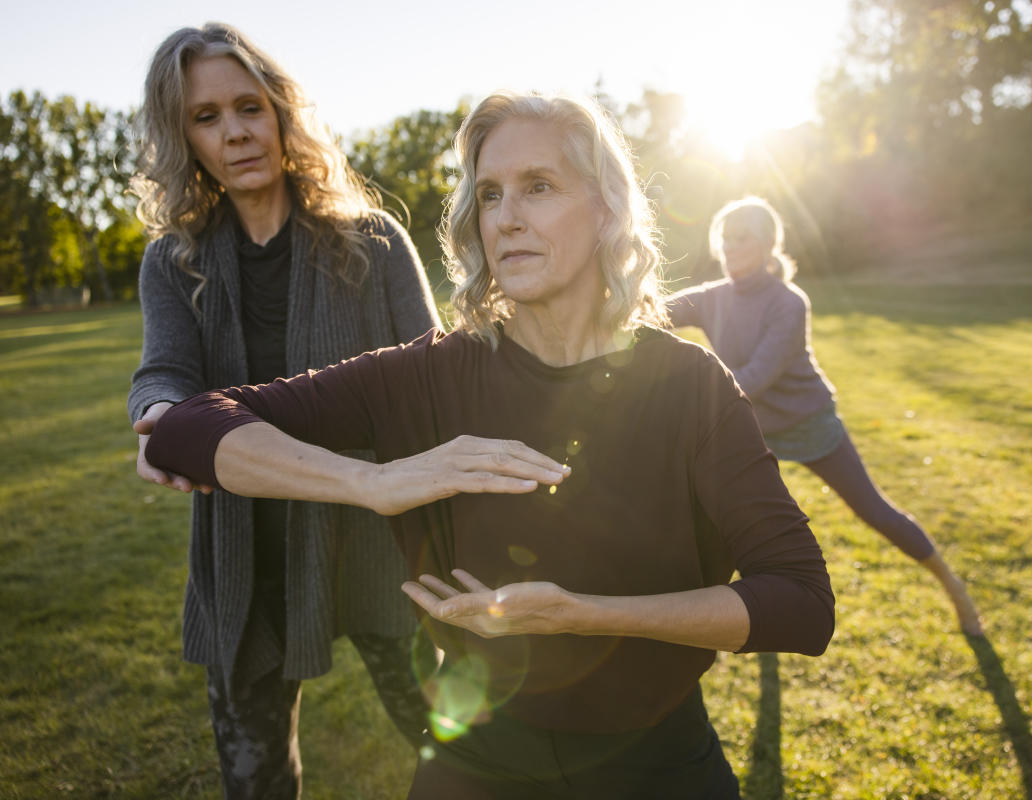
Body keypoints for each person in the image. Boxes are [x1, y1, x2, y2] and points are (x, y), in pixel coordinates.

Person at [143, 92, 836, 799]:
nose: (507, 217)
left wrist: (582, 613)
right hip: (478, 752)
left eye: (539, 187)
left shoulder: (691, 386)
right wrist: (371, 483)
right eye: (490, 195)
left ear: (605, 209)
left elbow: (802, 602)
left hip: (655, 752)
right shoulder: (429, 372)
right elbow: (185, 430)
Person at [127, 22, 448, 798]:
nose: (234, 132)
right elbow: (162, 371)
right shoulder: (176, 259)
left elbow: (439, 381)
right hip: (247, 545)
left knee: (453, 739)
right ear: (185, 138)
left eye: (248, 105)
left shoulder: (371, 241)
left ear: (280, 113)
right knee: (254, 777)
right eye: (206, 117)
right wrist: (163, 420)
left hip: (378, 542)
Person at [666, 196, 983, 636]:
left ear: (766, 245)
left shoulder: (789, 302)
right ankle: (730, 617)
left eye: (743, 238)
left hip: (807, 422)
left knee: (875, 511)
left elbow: (756, 376)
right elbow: (652, 312)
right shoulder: (711, 296)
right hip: (753, 428)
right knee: (723, 521)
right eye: (725, 237)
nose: (730, 246)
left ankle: (955, 590)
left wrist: (690, 395)